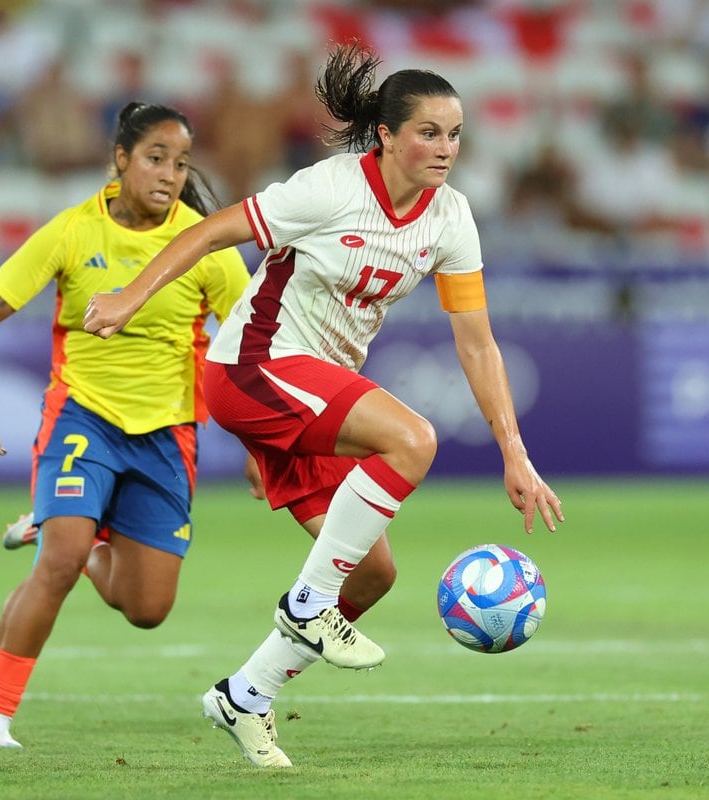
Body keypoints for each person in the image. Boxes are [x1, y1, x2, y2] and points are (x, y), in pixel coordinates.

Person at [83, 43, 565, 768]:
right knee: (412, 440)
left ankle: (246, 693)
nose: (446, 148)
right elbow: (211, 230)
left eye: (455, 134)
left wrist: (515, 455)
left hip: (309, 396)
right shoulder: (329, 189)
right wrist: (129, 296)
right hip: (254, 368)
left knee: (370, 575)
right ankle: (308, 603)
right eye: (429, 132)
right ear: (387, 136)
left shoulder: (451, 218)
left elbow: (477, 343)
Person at [0, 102, 252, 749]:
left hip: (167, 434)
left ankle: (74, 538)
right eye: (155, 159)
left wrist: (261, 442)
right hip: (82, 418)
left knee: (147, 609)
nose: (169, 175)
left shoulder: (205, 244)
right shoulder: (74, 230)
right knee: (57, 563)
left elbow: (250, 346)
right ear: (121, 159)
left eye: (181, 164)